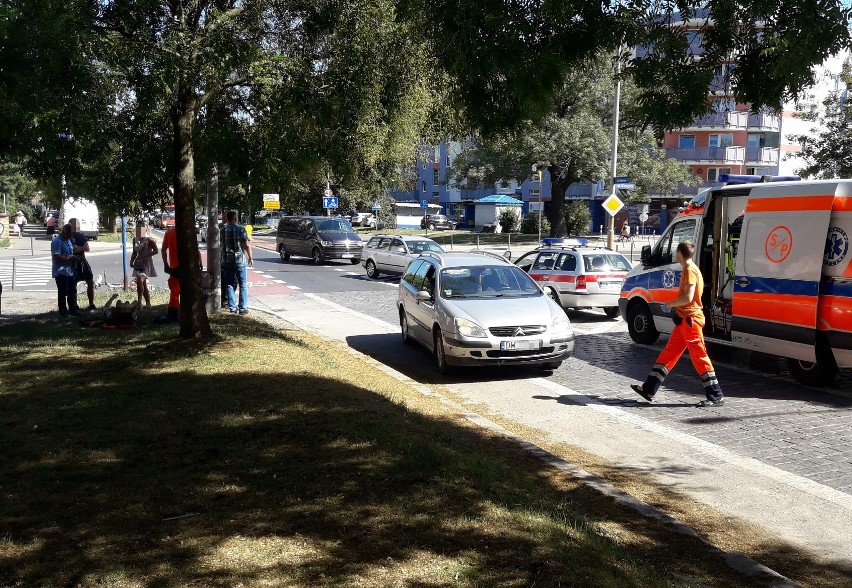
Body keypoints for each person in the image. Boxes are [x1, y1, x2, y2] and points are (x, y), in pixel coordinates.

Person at [631, 240, 725, 408]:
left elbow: (688, 298)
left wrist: (670, 304)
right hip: (684, 320)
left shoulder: (689, 270)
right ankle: (648, 389)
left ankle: (716, 395)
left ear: (680, 253)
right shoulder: (690, 269)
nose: (675, 255)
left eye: (676, 252)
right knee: (668, 354)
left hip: (690, 321)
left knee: (699, 357)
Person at [220, 209, 253, 315]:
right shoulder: (241, 229)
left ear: (227, 219)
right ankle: (242, 308)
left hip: (226, 260)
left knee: (229, 284)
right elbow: (247, 245)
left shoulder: (222, 230)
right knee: (243, 284)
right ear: (235, 218)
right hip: (239, 260)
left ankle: (232, 308)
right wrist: (250, 258)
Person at [51, 223, 78, 317]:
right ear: (65, 231)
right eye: (70, 233)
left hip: (69, 271)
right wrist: (69, 258)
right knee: (62, 292)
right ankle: (63, 312)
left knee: (72, 291)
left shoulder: (68, 240)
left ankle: (73, 310)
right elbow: (56, 256)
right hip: (60, 271)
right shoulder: (57, 241)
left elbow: (71, 250)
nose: (72, 236)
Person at [69, 218, 96, 312]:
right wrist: (81, 248)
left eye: (78, 225)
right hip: (72, 262)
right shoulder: (67, 237)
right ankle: (74, 305)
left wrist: (78, 248)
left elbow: (87, 248)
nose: (77, 227)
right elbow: (72, 250)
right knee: (73, 284)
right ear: (70, 225)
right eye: (75, 225)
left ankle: (91, 304)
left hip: (82, 261)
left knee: (90, 281)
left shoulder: (81, 235)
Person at [129, 225, 159, 307]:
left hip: (146, 264)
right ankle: (148, 303)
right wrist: (132, 261)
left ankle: (139, 302)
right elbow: (134, 252)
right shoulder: (135, 240)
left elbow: (156, 251)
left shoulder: (149, 240)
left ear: (145, 230)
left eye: (141, 230)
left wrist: (148, 254)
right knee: (143, 284)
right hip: (138, 263)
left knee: (139, 279)